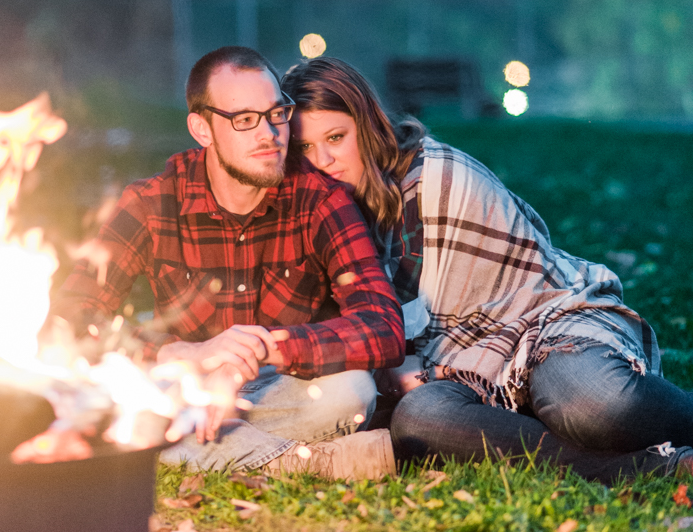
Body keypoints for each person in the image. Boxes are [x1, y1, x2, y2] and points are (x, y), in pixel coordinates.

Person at [282, 56, 693, 484]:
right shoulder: (320, 215)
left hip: (546, 326)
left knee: (596, 405)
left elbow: (525, 293)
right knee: (420, 422)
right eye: (306, 149)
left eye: (336, 137)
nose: (324, 160)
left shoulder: (437, 175)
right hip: (457, 371)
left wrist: (416, 367)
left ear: (366, 127)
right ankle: (655, 468)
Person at [57, 46, 404, 478]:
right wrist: (186, 354)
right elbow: (71, 314)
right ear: (202, 129)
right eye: (244, 120)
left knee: (351, 392)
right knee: (103, 403)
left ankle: (206, 453)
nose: (269, 134)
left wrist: (258, 348)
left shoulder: (320, 199)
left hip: (274, 389)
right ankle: (298, 463)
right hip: (179, 392)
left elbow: (382, 326)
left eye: (277, 114)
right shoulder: (152, 201)